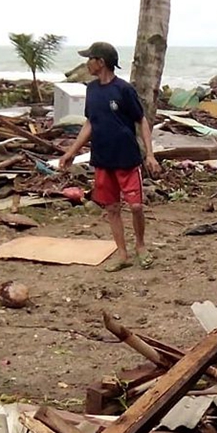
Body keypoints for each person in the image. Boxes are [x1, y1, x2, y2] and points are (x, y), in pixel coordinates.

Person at [59, 41, 161, 272]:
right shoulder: (92, 90)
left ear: (101, 62)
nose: (87, 63)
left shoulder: (123, 89)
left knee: (136, 206)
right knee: (112, 208)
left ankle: (141, 246)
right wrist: (71, 153)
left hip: (127, 158)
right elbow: (90, 123)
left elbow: (141, 120)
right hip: (103, 159)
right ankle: (122, 254)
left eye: (90, 59)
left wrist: (150, 155)